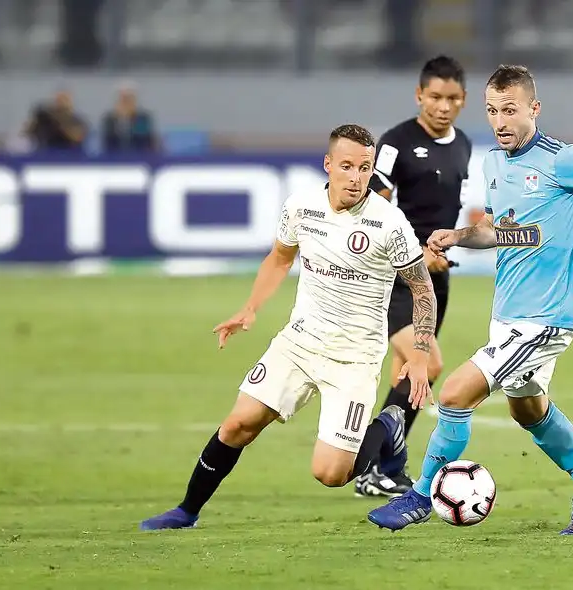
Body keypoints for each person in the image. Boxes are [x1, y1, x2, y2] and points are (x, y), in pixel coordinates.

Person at [367, 65, 573, 535]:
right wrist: (458, 236)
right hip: (508, 315)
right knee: (529, 409)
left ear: (533, 109)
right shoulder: (495, 163)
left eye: (510, 110)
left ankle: (418, 496)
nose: (500, 121)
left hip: (544, 318)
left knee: (455, 393)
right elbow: (497, 229)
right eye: (492, 111)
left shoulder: (562, 160)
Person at [140, 124, 438, 530]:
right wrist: (249, 309)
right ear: (328, 164)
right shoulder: (301, 206)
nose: (356, 177)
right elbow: (280, 258)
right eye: (346, 166)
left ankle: (388, 427)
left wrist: (419, 356)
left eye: (364, 168)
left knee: (330, 473)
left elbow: (422, 289)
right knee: (238, 424)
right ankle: (186, 511)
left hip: (354, 358)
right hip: (299, 342)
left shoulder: (389, 222)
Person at [354, 55, 474, 499]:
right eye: (435, 97)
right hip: (395, 276)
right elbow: (372, 208)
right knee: (429, 364)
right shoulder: (395, 143)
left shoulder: (463, 144)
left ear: (463, 100)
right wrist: (416, 252)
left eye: (452, 98)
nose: (443, 106)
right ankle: (370, 466)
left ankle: (382, 469)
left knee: (404, 374)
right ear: (419, 95)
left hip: (436, 278)